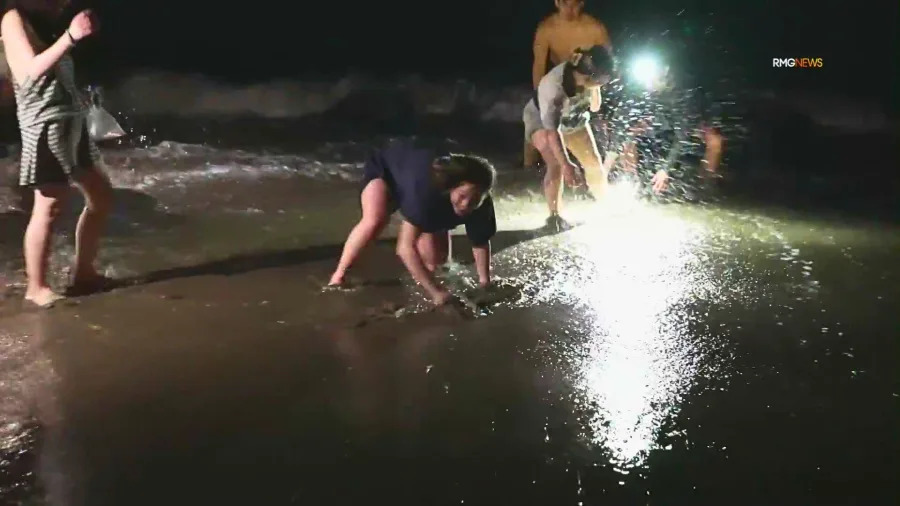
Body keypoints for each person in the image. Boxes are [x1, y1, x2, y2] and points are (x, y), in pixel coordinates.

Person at [2, 0, 113, 308]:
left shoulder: (44, 25)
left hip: (71, 124)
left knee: (101, 196)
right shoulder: (13, 19)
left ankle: (84, 274)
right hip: (45, 126)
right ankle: (36, 288)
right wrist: (71, 36)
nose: (62, 4)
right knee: (49, 205)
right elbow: (28, 73)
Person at [328, 140, 497, 307]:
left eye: (474, 200)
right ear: (451, 188)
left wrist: (485, 282)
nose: (466, 204)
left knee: (437, 262)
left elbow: (480, 242)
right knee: (375, 220)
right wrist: (435, 292)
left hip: (420, 181)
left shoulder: (482, 205)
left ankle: (428, 279)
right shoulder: (425, 195)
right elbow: (404, 248)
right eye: (462, 196)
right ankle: (339, 276)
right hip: (388, 167)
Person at [522, 44, 615, 231]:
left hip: (573, 116)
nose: (604, 84)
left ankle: (606, 203)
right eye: (602, 81)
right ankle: (554, 217)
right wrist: (566, 164)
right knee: (556, 164)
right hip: (542, 120)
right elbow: (552, 132)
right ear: (587, 76)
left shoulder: (589, 77)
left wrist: (595, 88)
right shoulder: (554, 88)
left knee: (593, 162)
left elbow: (595, 107)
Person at [524, 0, 612, 169]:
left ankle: (594, 169)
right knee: (539, 136)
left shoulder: (595, 28)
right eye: (565, 3)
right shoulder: (547, 28)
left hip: (588, 82)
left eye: (575, 4)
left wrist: (597, 88)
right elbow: (539, 65)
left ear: (582, 3)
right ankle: (529, 165)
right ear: (557, 2)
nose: (570, 9)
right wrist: (538, 99)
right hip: (557, 83)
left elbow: (607, 63)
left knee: (592, 158)